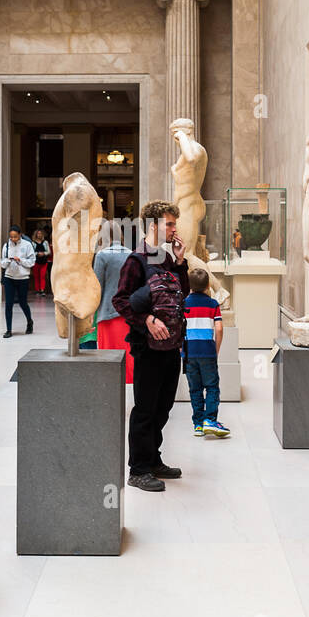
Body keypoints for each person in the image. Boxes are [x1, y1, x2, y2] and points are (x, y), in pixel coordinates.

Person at [111, 200, 189, 493]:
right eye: (169, 224)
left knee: (164, 406)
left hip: (171, 345)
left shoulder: (167, 259)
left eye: (174, 224)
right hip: (147, 347)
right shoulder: (136, 260)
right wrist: (147, 321)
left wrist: (181, 262)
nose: (174, 229)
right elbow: (120, 300)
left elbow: (183, 294)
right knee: (145, 408)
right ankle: (139, 469)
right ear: (153, 225)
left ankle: (153, 459)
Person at [182, 266, 229, 438]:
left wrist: (182, 349)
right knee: (211, 387)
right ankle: (210, 419)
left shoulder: (184, 304)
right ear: (208, 285)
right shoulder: (213, 304)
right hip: (207, 352)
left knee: (194, 389)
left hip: (189, 354)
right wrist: (216, 349)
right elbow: (219, 328)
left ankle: (198, 424)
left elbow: (179, 329)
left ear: (189, 285)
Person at [93, 219, 134, 383]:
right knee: (129, 358)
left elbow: (97, 287)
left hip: (107, 313)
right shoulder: (131, 254)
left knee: (108, 360)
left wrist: (91, 313)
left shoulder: (102, 255)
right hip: (129, 313)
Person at [0, 224, 36, 337]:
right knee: (8, 304)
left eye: (15, 236)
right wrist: (8, 261)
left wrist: (20, 260)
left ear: (20, 235)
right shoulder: (6, 246)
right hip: (9, 277)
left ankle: (29, 321)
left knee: (23, 303)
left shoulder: (27, 245)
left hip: (23, 278)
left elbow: (32, 261)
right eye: (11, 237)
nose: (13, 239)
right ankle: (9, 330)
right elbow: (2, 263)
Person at [31, 227, 51, 295]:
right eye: (38, 234)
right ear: (36, 234)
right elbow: (31, 252)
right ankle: (37, 290)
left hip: (44, 261)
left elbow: (49, 251)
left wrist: (43, 253)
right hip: (36, 261)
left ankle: (42, 290)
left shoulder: (45, 242)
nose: (39, 235)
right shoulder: (33, 243)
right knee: (36, 276)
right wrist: (37, 253)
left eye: (40, 234)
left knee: (42, 276)